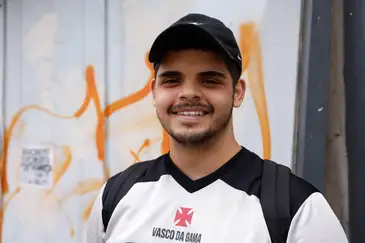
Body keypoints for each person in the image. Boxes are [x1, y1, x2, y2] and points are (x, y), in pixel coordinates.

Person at [86, 13, 348, 243]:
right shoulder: (116, 195)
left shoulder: (298, 208)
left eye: (209, 80)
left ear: (237, 92)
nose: (188, 94)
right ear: (154, 92)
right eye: (172, 80)